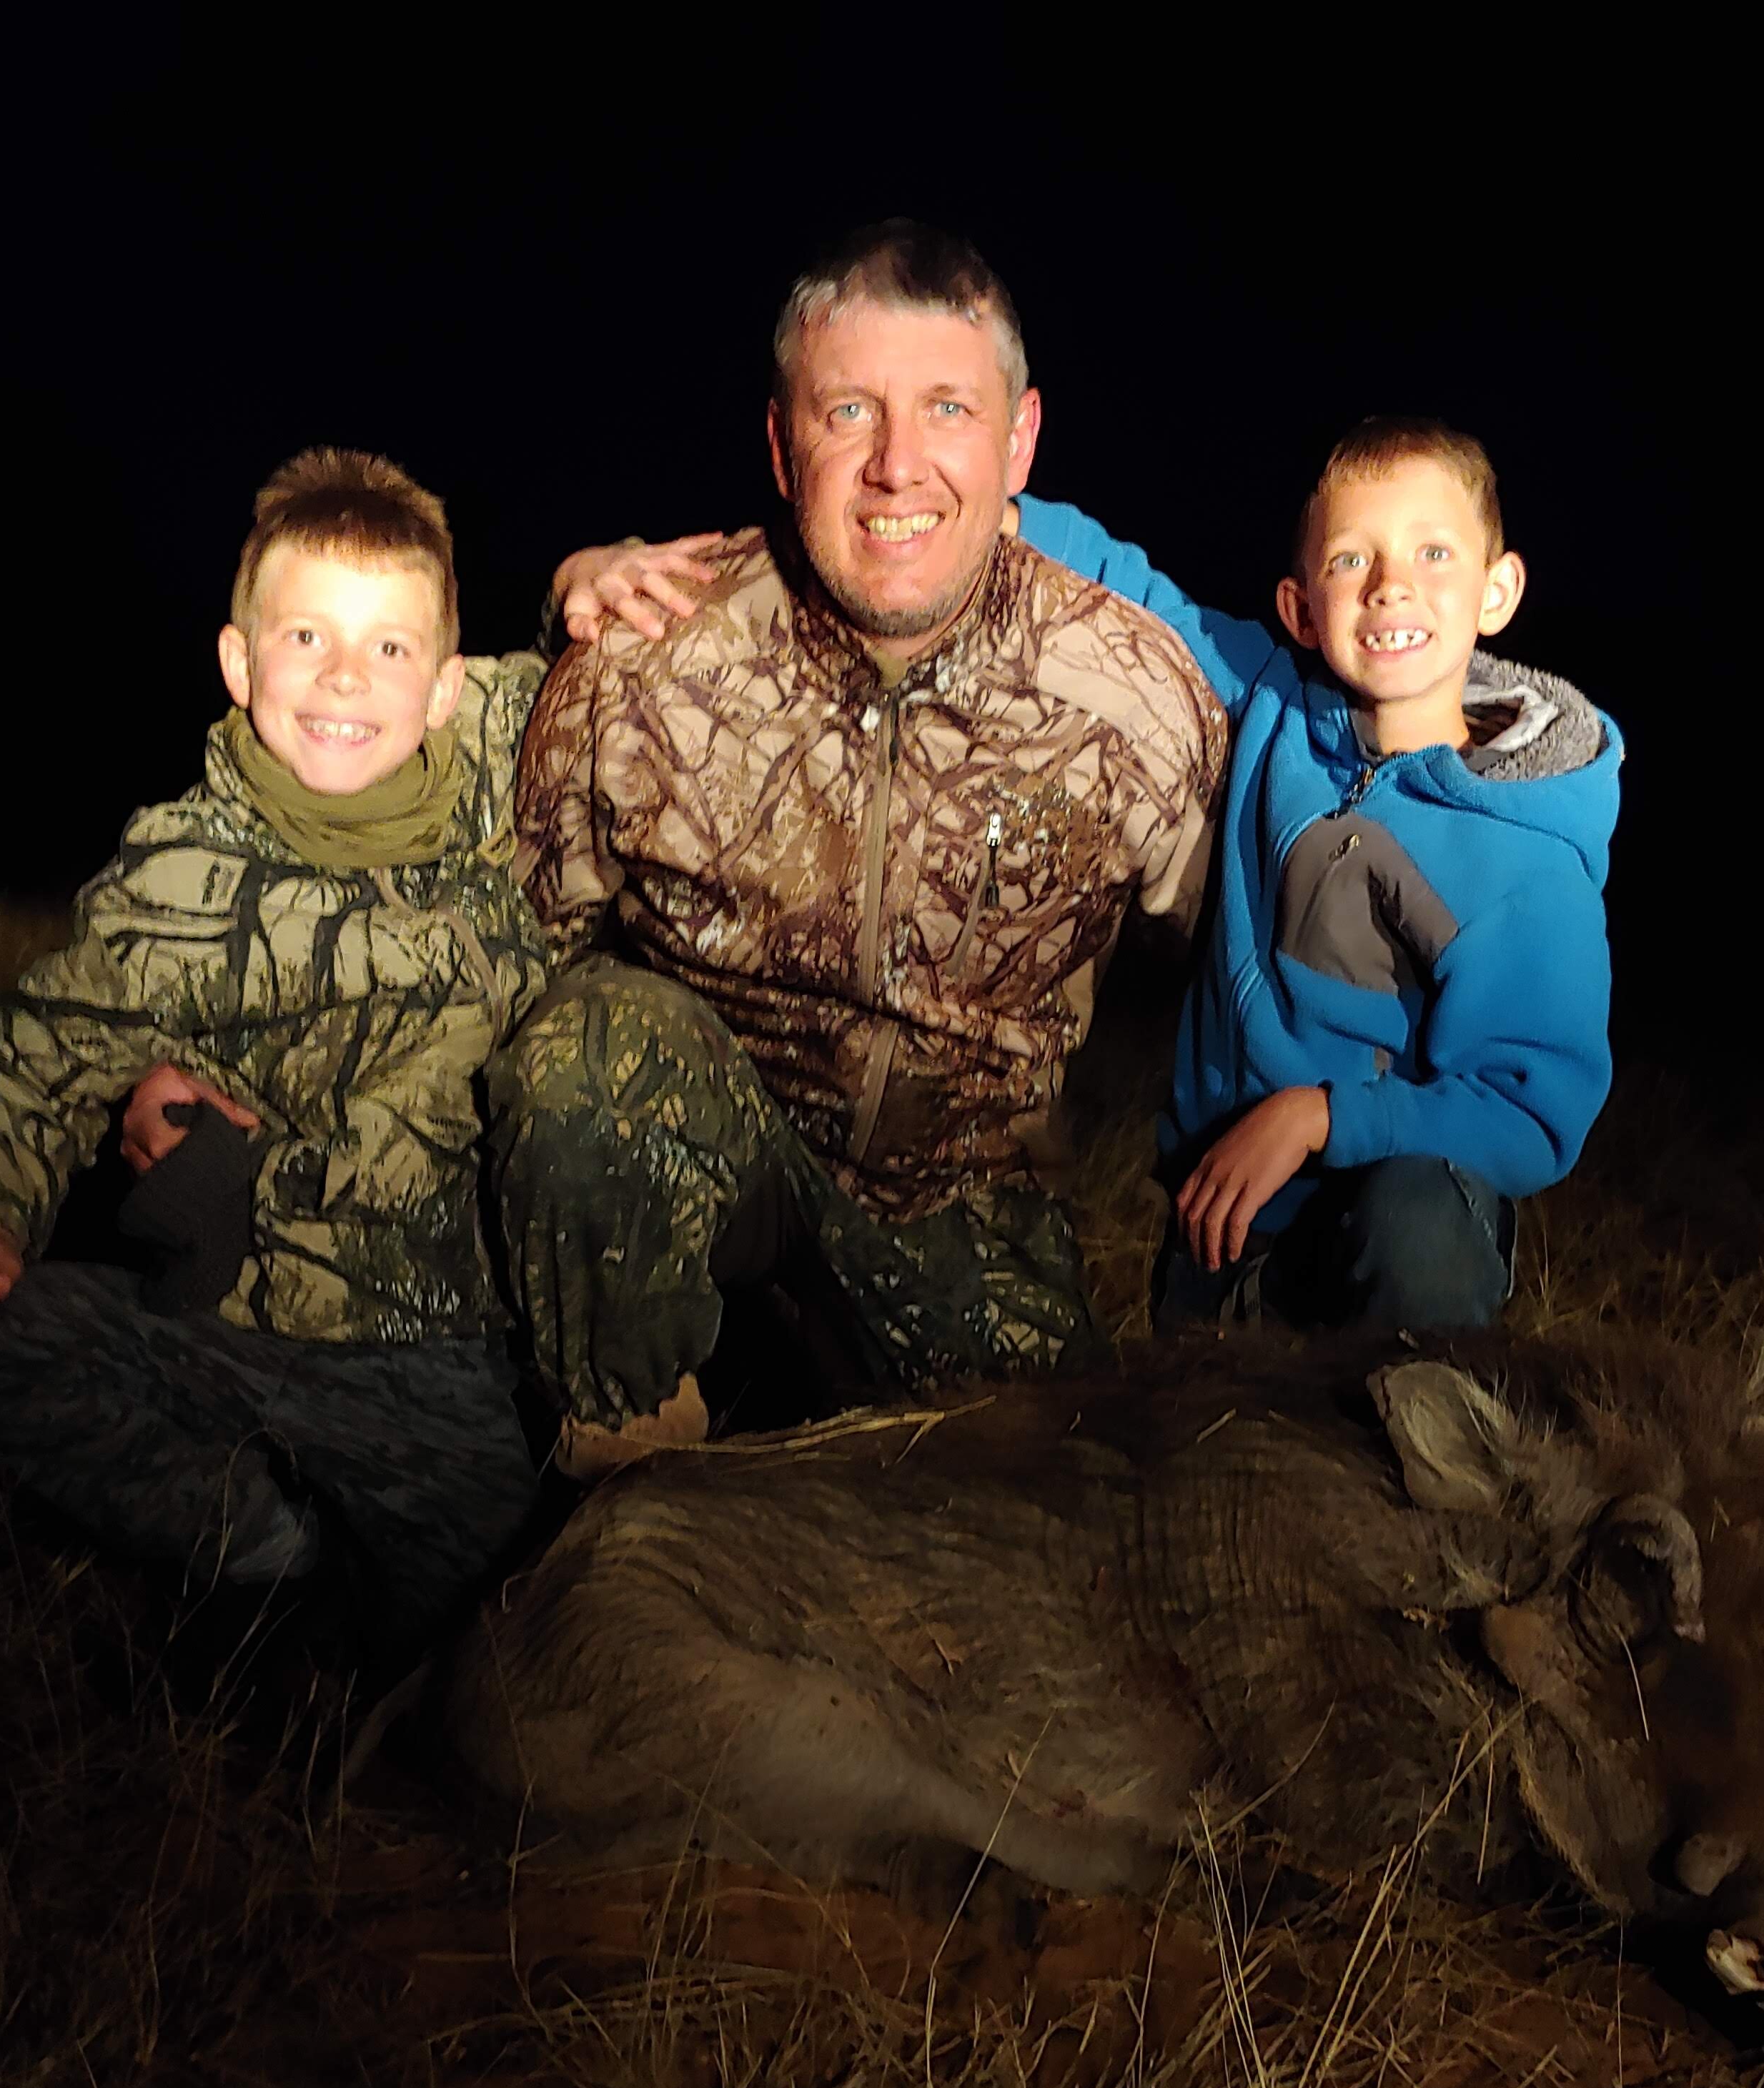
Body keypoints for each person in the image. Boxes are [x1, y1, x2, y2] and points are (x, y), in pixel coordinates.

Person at [496, 219, 1229, 1473]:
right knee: (584, 1044)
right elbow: (503, 960)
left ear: (1020, 441)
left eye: (947, 407)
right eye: (849, 411)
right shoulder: (644, 656)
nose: (897, 465)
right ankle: (624, 1483)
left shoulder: (1136, 698)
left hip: (963, 1217)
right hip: (702, 1193)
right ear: (784, 446)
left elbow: (1244, 962)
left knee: (1069, 1528)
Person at [0, 448, 549, 1638]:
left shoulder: (514, 797)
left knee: (470, 1650)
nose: (346, 676)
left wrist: (594, 576)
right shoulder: (168, 872)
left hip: (437, 1361)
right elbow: (37, 1061)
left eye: (389, 648)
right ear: (240, 660)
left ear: (446, 689)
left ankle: (364, 1602)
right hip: (220, 1331)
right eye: (306, 639)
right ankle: (258, 1548)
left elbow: (623, 665)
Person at [1013, 424, 1623, 1331]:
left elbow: (1526, 1114)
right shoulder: (1272, 703)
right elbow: (1131, 595)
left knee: (1416, 1219)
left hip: (1387, 1235)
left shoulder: (1526, 848)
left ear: (1497, 592)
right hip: (1229, 1218)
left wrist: (1321, 1118)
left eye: (1433, 551)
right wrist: (974, 503)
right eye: (1351, 558)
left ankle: (1419, 1424)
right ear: (1301, 609)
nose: (1390, 584)